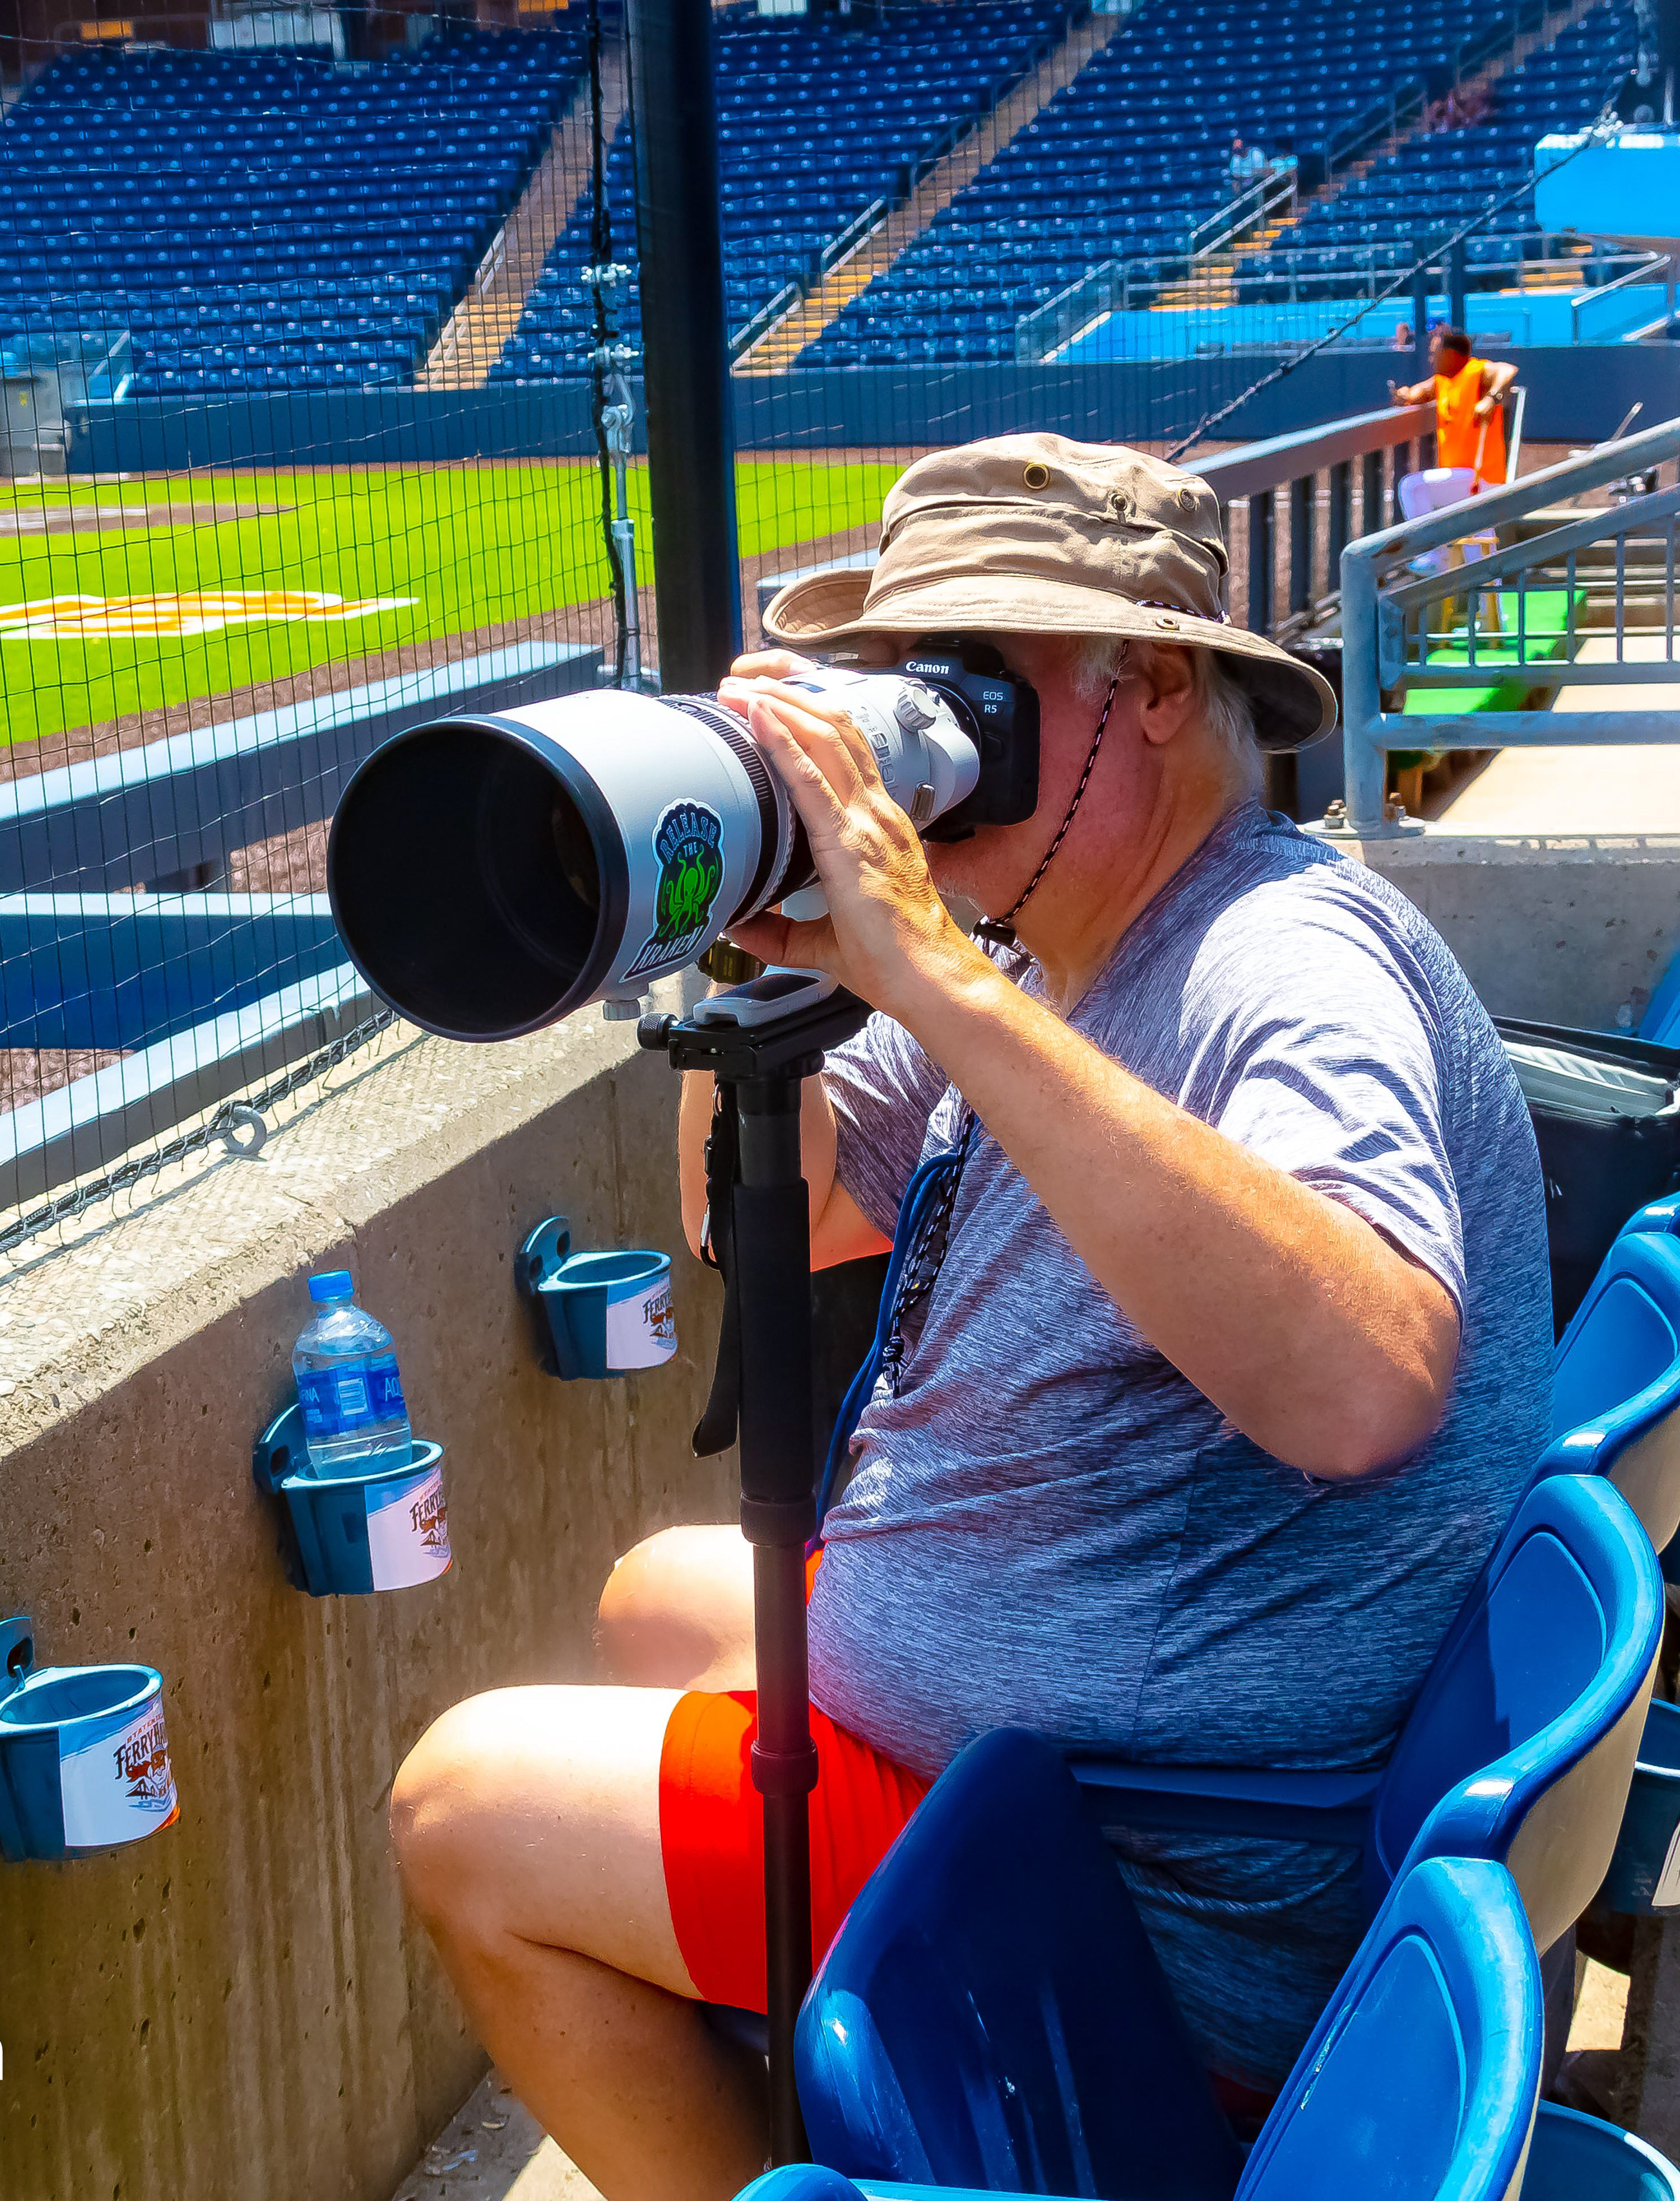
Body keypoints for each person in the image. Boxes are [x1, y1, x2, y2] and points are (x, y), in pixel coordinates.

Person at [388, 435, 1552, 2201]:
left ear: (1150, 685)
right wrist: (751, 928)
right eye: (897, 682)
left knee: (463, 1809)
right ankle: (851, 2109)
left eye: (970, 688)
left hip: (1139, 1885)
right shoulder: (1040, 938)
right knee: (656, 1595)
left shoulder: (1279, 957)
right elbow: (765, 1222)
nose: (924, 737)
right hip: (1075, 1749)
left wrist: (923, 962)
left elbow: (1367, 1384)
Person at [1392, 324, 1517, 485]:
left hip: (1482, 477)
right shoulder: (1442, 380)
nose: (1431, 358)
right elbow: (1419, 391)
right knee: (1415, 488)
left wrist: (1490, 398)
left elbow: (1507, 370)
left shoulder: (1475, 371)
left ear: (1450, 355)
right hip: (1454, 475)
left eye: (1435, 353)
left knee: (1411, 486)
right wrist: (1405, 394)